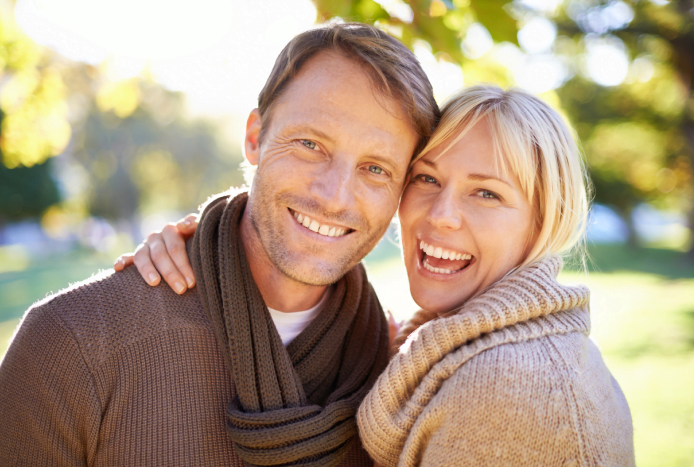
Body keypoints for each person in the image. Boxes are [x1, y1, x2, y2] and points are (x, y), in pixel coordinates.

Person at [0, 23, 439, 467]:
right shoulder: (72, 344)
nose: (335, 196)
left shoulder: (396, 369)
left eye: (376, 169)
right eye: (310, 144)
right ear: (254, 137)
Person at [120, 86, 635, 465]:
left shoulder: (510, 388)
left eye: (487, 193)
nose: (440, 215)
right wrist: (217, 243)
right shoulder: (438, 345)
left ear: (544, 220)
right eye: (426, 179)